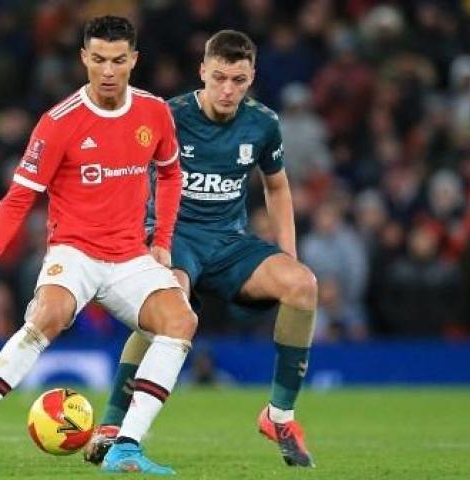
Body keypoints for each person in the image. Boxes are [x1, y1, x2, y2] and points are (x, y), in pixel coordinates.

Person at [0, 16, 198, 475]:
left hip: (130, 255)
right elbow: (19, 198)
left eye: (119, 60)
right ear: (84, 58)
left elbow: (169, 172)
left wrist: (161, 240)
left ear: (134, 60)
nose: (108, 71)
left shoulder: (154, 112)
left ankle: (126, 446)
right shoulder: (59, 123)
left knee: (181, 320)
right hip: (75, 251)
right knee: (48, 314)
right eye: (100, 60)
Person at [84, 30, 317, 468]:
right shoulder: (168, 116)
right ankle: (115, 423)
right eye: (220, 78)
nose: (228, 89)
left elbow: (278, 186)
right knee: (167, 307)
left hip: (229, 243)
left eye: (239, 80)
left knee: (302, 285)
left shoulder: (263, 123)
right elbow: (125, 168)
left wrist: (289, 253)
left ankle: (279, 415)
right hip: (173, 236)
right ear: (202, 73)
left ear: (251, 77)